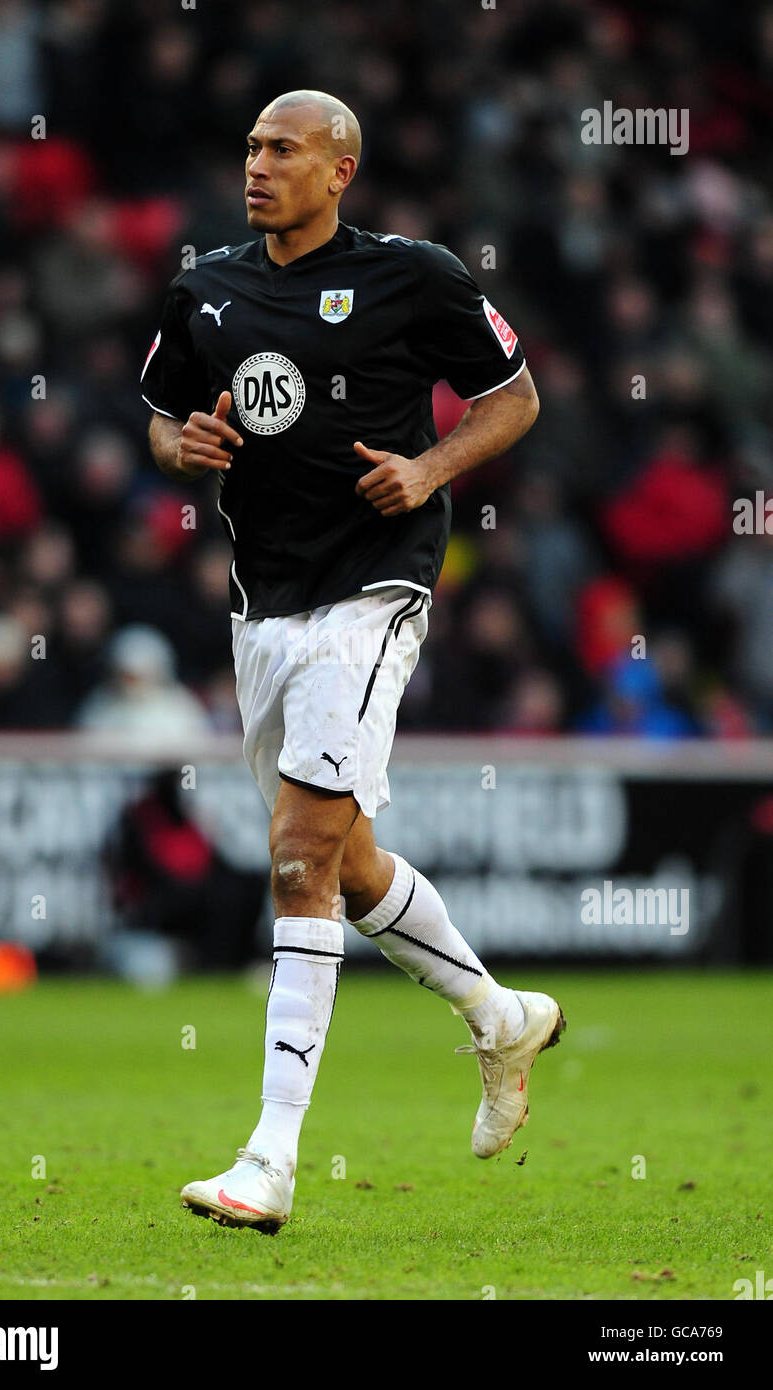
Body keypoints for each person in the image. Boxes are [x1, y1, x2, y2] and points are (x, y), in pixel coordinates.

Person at [142, 89, 564, 1234]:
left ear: (340, 169)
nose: (257, 165)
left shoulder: (412, 276)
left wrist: (428, 471)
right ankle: (496, 1014)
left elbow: (513, 397)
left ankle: (268, 1160)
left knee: (296, 857)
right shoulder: (206, 286)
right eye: (249, 148)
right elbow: (163, 415)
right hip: (260, 604)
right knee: (350, 859)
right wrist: (182, 443)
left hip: (371, 593)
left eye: (281, 149)